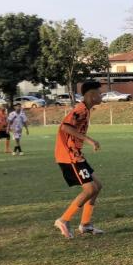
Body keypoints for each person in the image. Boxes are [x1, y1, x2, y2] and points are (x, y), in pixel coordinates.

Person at [53, 81, 104, 239]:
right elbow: (65, 127)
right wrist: (89, 140)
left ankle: (85, 224)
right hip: (69, 156)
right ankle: (63, 219)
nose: (101, 95)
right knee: (89, 189)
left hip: (76, 154)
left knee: (97, 186)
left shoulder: (86, 110)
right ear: (91, 95)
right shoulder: (80, 109)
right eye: (99, 92)